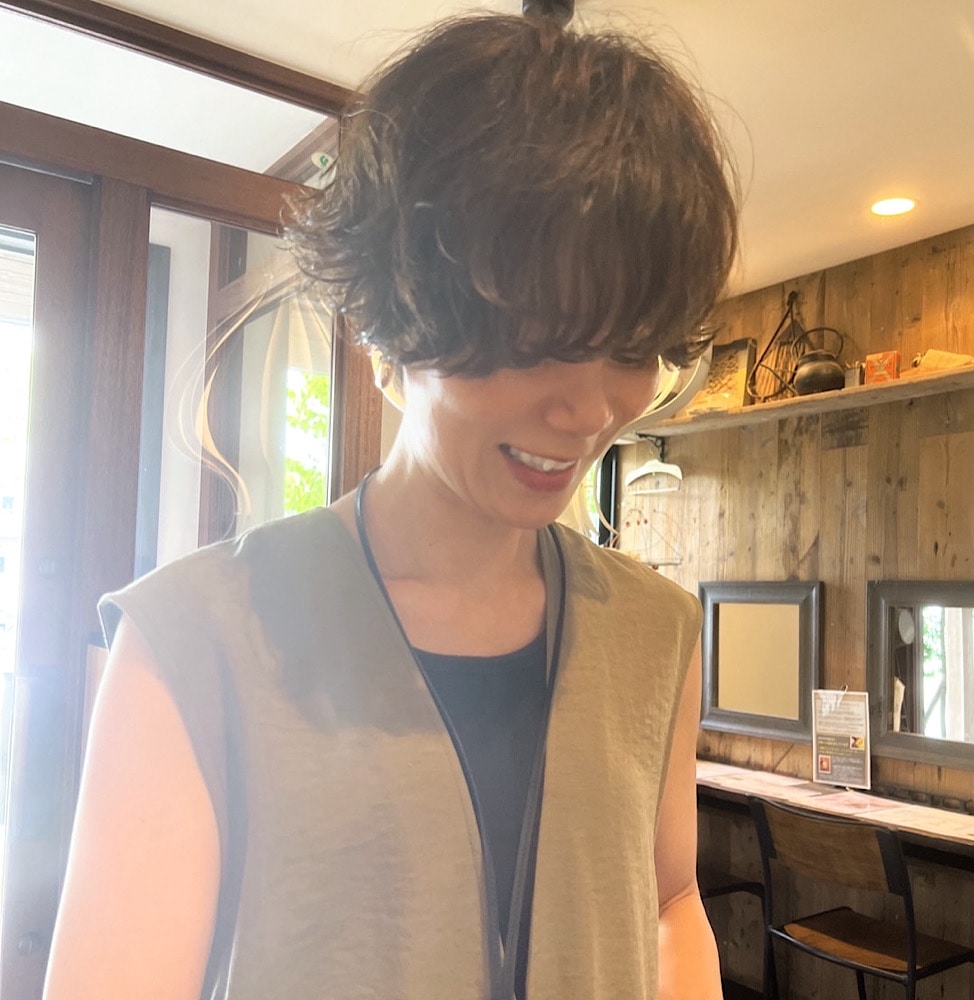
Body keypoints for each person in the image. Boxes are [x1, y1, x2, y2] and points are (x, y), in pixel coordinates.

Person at [43, 11, 737, 1000]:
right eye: (536, 338)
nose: (588, 409)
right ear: (392, 324)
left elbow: (668, 899)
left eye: (631, 348)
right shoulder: (195, 640)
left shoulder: (656, 632)